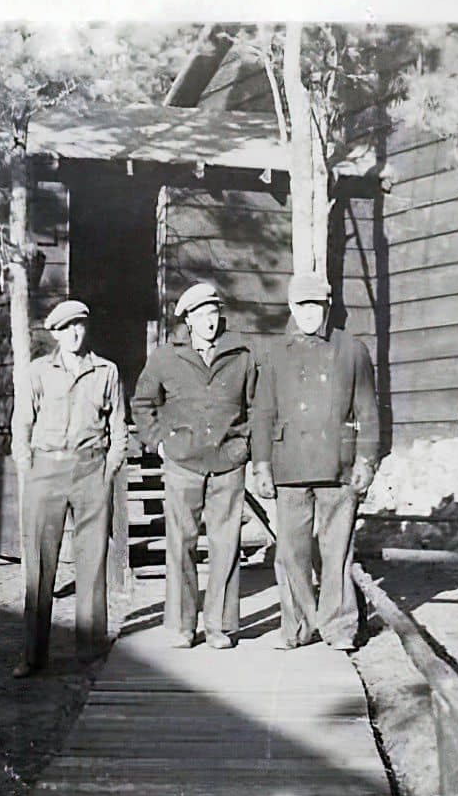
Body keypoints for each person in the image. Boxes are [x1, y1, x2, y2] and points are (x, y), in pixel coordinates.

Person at [252, 273, 380, 651]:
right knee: (291, 553)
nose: (308, 313)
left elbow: (369, 412)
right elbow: (262, 413)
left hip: (338, 467)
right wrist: (261, 466)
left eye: (315, 305)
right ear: (291, 307)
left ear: (326, 307)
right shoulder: (274, 354)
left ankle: (339, 629)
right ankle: (297, 627)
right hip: (289, 466)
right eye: (301, 305)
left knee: (337, 551)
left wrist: (367, 460)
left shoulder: (351, 350)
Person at [132, 282, 258, 649]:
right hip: (183, 462)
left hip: (227, 463)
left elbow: (256, 405)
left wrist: (244, 444)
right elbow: (143, 403)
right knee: (180, 543)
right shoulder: (164, 358)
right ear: (187, 319)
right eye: (201, 315)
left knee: (226, 545)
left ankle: (221, 627)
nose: (209, 321)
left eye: (214, 313)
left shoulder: (241, 355)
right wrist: (157, 440)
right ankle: (183, 626)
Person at [10, 299, 127, 678]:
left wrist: (107, 471)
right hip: (47, 470)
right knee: (40, 567)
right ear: (55, 334)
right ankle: (33, 655)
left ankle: (90, 653)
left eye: (79, 325)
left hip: (91, 470)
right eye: (66, 328)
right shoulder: (38, 372)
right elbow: (22, 425)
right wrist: (29, 467)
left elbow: (119, 429)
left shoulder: (106, 372)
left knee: (92, 563)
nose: (74, 333)